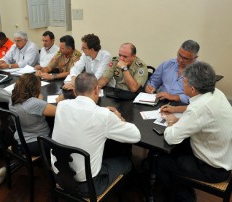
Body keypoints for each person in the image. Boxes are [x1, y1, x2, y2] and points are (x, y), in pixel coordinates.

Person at [51, 72, 141, 196]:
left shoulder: (62, 106)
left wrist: (104, 112)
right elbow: (136, 136)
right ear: (97, 89)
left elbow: (83, 112)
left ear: (75, 91)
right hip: (87, 186)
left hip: (58, 177)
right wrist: (119, 119)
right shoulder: (103, 116)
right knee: (126, 162)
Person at [156, 61, 232, 201]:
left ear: (192, 89)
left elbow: (171, 137)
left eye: (183, 82)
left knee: (162, 160)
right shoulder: (215, 93)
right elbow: (199, 116)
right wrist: (176, 111)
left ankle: (183, 197)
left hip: (212, 169)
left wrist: (171, 121)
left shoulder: (198, 109)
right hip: (223, 154)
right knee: (177, 148)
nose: (182, 84)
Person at [9, 73, 56, 156]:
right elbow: (60, 112)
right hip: (36, 143)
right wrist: (61, 99)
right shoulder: (34, 104)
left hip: (19, 139)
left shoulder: (13, 98)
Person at [145, 40, 200, 104]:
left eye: (185, 58)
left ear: (195, 58)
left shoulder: (200, 71)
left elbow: (199, 97)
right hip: (160, 101)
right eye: (179, 55)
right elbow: (154, 81)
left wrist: (176, 97)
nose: (180, 60)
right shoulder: (167, 64)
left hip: (183, 106)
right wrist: (150, 87)